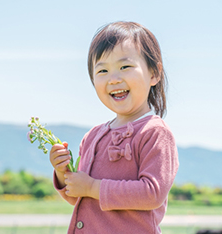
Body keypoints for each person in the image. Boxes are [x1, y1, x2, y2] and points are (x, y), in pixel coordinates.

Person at [49, 21, 179, 234]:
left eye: (125, 67)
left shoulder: (155, 133)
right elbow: (79, 197)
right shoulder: (93, 136)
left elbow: (152, 193)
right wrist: (63, 172)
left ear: (154, 73)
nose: (113, 79)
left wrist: (92, 187)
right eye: (102, 71)